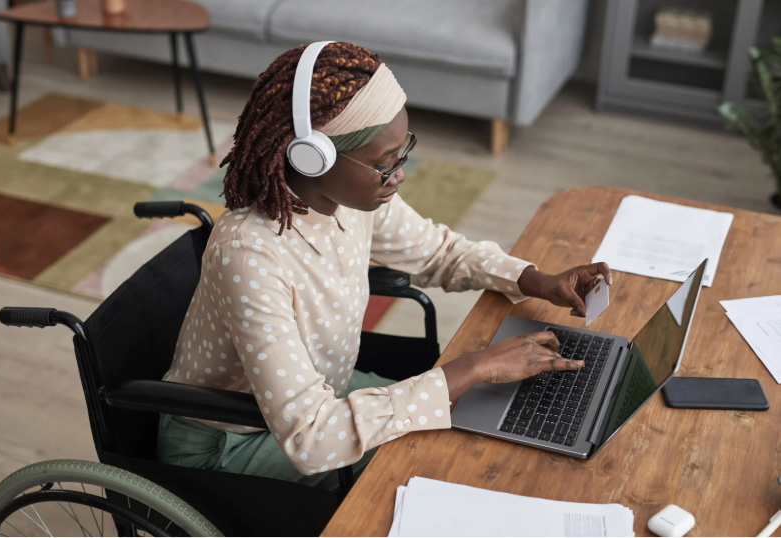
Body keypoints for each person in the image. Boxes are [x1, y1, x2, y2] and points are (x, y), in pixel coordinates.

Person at [156, 42, 612, 491]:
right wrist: (473, 368)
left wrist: (538, 281)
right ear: (311, 157)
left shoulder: (351, 200)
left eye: (403, 153)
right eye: (383, 164)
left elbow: (438, 252)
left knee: (474, 417)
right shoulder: (249, 253)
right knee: (446, 455)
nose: (400, 175)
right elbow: (311, 437)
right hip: (230, 444)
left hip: (320, 394)